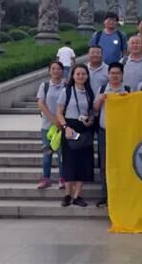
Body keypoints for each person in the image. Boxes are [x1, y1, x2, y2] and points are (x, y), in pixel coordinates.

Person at [56, 64, 96, 207]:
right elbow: (59, 112)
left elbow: (91, 112)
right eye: (78, 74)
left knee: (83, 162)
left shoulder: (89, 92)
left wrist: (90, 120)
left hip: (84, 129)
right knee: (69, 162)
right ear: (73, 76)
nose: (81, 76)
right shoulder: (66, 91)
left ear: (87, 76)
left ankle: (77, 195)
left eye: (83, 74)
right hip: (69, 129)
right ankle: (67, 194)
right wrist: (65, 127)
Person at [92, 62, 130, 207]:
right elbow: (95, 109)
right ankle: (105, 195)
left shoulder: (127, 90)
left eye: (117, 73)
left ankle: (121, 194)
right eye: (112, 73)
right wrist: (100, 99)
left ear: (122, 75)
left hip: (121, 133)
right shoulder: (102, 89)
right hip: (104, 132)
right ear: (108, 75)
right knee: (104, 164)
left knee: (122, 163)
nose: (114, 76)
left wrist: (127, 99)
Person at [36, 61, 66, 190]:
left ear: (62, 71)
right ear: (49, 71)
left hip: (62, 126)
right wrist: (53, 119)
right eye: (53, 68)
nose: (56, 71)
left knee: (62, 154)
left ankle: (62, 178)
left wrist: (61, 121)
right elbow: (41, 104)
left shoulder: (67, 86)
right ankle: (46, 178)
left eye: (58, 69)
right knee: (47, 153)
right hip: (47, 126)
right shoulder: (45, 86)